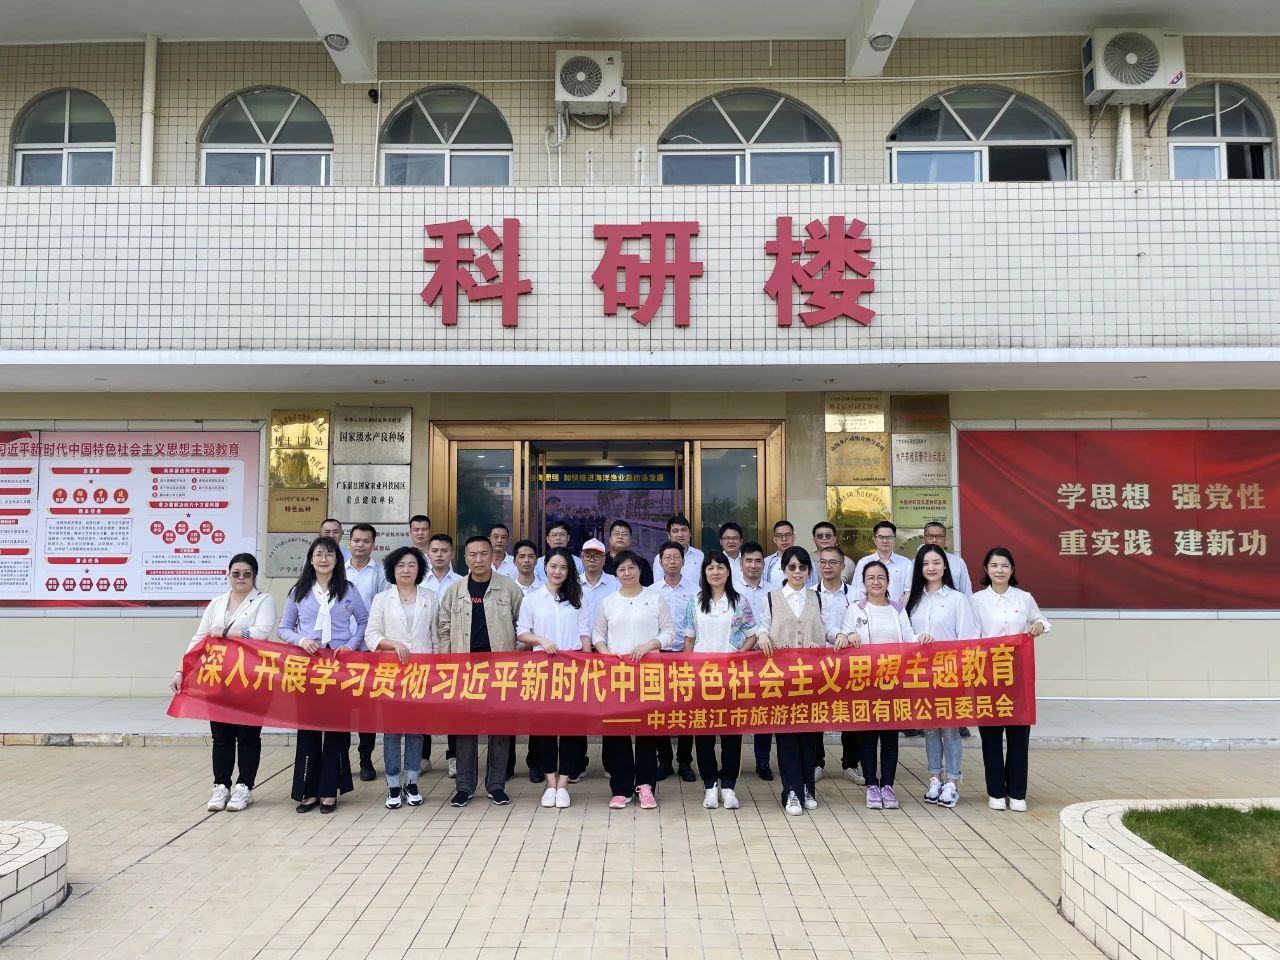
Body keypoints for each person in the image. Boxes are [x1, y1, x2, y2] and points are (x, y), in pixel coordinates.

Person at [173, 553, 276, 813]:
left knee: (248, 735)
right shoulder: (217, 603)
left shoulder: (263, 600)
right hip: (218, 677)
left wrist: (225, 632)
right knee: (221, 736)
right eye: (236, 573)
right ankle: (221, 785)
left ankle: (244, 787)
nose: (241, 578)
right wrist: (181, 670)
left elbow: (261, 632)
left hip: (250, 677)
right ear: (228, 575)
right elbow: (200, 638)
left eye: (247, 574)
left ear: (254, 576)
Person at [279, 536, 369, 815]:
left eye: (329, 554)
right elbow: (284, 628)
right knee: (308, 728)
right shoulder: (299, 591)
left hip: (339, 667)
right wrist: (301, 640)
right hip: (308, 667)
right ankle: (308, 791)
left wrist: (351, 645)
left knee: (337, 729)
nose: (323, 559)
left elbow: (364, 621)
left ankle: (329, 790)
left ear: (337, 560)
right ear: (310, 559)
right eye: (318, 554)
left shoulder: (348, 589)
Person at [436, 536, 523, 807]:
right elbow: (443, 627)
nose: (478, 559)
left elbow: (522, 626)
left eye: (483, 554)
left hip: (500, 669)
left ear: (492, 555)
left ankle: (496, 785)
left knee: (500, 728)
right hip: (465, 669)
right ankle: (464, 786)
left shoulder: (508, 588)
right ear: (464, 558)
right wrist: (447, 664)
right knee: (464, 728)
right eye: (472, 554)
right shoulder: (455, 590)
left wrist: (514, 657)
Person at [591, 551, 674, 809]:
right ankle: (621, 787)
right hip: (617, 675)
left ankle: (645, 786)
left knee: (647, 730)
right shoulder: (608, 602)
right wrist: (605, 653)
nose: (627, 573)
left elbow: (669, 632)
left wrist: (650, 645)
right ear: (616, 573)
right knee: (617, 731)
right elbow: (597, 633)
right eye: (621, 569)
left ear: (640, 569)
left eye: (631, 568)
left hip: (649, 674)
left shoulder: (655, 598)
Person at [745, 546, 824, 816]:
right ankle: (791, 790)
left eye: (802, 567)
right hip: (782, 678)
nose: (797, 572)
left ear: (808, 571)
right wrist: (762, 635)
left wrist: (841, 635)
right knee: (787, 735)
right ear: (783, 570)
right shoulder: (772, 598)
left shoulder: (817, 597)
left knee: (809, 735)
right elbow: (763, 625)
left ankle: (807, 788)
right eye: (792, 567)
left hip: (811, 677)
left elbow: (828, 627)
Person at [971, 547, 1050, 812]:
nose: (999, 570)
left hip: (1018, 675)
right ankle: (996, 791)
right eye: (994, 565)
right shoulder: (976, 600)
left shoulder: (1024, 598)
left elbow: (1042, 620)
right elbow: (970, 634)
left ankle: (1017, 793)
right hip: (987, 675)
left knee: (1018, 736)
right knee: (991, 736)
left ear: (1012, 569)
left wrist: (1039, 626)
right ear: (986, 569)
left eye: (1004, 565)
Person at [836, 560, 916, 811]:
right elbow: (844, 636)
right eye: (871, 578)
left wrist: (921, 638)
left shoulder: (898, 610)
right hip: (866, 683)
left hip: (893, 682)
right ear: (864, 582)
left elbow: (909, 638)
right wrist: (848, 636)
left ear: (888, 581)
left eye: (881, 577)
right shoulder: (855, 610)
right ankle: (872, 784)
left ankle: (888, 786)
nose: (876, 582)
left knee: (890, 737)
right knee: (868, 736)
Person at [905, 544, 979, 808]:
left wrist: (962, 674)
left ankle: (953, 781)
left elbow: (968, 638)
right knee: (930, 729)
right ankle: (934, 778)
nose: (931, 568)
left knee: (950, 730)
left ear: (945, 566)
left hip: (950, 674)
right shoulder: (913, 600)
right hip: (921, 675)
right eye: (926, 564)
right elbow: (904, 635)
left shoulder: (957, 599)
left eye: (936, 562)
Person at [516, 547, 590, 809]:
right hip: (542, 671)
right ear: (545, 567)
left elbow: (584, 634)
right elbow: (522, 632)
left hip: (572, 671)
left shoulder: (577, 598)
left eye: (563, 567)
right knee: (544, 729)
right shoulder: (532, 599)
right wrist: (541, 640)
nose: (558, 572)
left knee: (571, 729)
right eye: (553, 566)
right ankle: (550, 783)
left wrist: (589, 665)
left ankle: (564, 784)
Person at [682, 551, 757, 811]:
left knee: (731, 734)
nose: (715, 572)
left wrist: (739, 655)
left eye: (720, 567)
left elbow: (752, 634)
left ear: (728, 571)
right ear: (704, 573)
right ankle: (710, 786)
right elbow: (689, 639)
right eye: (710, 568)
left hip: (731, 678)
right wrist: (686, 673)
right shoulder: (695, 602)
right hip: (702, 677)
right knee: (704, 733)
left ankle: (728, 786)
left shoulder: (739, 601)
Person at [365, 546, 438, 810]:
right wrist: (393, 643)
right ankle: (394, 785)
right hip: (391, 673)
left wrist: (437, 670)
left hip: (421, 673)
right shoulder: (382, 599)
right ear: (392, 569)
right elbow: (371, 635)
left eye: (412, 565)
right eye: (400, 565)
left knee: (416, 730)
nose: (406, 570)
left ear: (420, 569)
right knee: (392, 731)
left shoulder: (430, 596)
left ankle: (412, 783)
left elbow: (435, 636)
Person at [346, 522, 388, 782]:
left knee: (367, 709)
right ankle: (340, 760)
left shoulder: (380, 573)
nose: (360, 545)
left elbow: (381, 610)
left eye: (365, 541)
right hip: (340, 650)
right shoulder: (338, 571)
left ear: (373, 545)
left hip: (368, 650)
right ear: (349, 543)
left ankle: (365, 759)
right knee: (340, 707)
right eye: (356, 540)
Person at [735, 541, 778, 781]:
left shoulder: (774, 591)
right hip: (735, 657)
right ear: (741, 563)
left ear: (764, 564)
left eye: (758, 561)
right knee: (734, 709)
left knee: (764, 711)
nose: (753, 565)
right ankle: (732, 762)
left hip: (765, 657)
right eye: (748, 561)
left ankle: (763, 760)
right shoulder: (729, 587)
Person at [654, 539, 696, 782]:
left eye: (676, 558)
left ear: (683, 561)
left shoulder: (695, 591)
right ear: (660, 562)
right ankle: (664, 760)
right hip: (658, 656)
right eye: (667, 558)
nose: (671, 562)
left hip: (685, 655)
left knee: (685, 710)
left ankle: (684, 761)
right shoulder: (651, 591)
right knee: (659, 710)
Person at [422, 532, 462, 777]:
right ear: (428, 553)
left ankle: (454, 756)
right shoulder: (418, 581)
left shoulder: (461, 582)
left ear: (452, 554)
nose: (439, 555)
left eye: (444, 551)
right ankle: (423, 756)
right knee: (422, 704)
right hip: (423, 652)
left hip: (452, 652)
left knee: (453, 705)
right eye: (435, 551)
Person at [815, 545, 854, 783]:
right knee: (816, 715)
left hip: (850, 664)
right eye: (823, 562)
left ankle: (851, 764)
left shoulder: (856, 594)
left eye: (832, 562)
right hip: (818, 665)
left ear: (842, 566)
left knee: (850, 714)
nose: (827, 566)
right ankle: (816, 763)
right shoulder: (810, 594)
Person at [852, 520, 912, 604]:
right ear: (874, 540)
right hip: (869, 610)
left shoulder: (906, 563)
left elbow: (907, 593)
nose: (885, 541)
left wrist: (897, 609)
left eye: (889, 537)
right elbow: (858, 591)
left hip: (897, 610)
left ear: (894, 540)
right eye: (881, 537)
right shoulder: (863, 563)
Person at [921, 521, 972, 595]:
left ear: (945, 539)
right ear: (923, 539)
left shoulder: (958, 562)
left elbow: (967, 593)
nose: (934, 540)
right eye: (930, 536)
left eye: (939, 536)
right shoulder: (914, 563)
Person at [578, 537, 619, 625]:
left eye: (597, 556)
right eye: (588, 556)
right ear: (581, 558)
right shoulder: (574, 583)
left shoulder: (615, 583)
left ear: (604, 559)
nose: (592, 560)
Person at [651, 514, 703, 584]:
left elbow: (703, 583)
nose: (680, 535)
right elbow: (658, 585)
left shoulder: (699, 555)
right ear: (669, 535)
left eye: (684, 530)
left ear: (690, 533)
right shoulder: (660, 557)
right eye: (675, 531)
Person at [604, 519, 653, 586]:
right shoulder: (601, 563)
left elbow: (648, 589)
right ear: (609, 539)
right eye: (617, 534)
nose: (620, 537)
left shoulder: (642, 564)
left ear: (630, 540)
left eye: (624, 534)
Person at [812, 521, 856, 586]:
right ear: (814, 539)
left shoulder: (845, 561)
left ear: (835, 539)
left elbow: (836, 584)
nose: (824, 538)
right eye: (820, 536)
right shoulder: (807, 559)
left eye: (828, 535)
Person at [761, 520, 796, 585]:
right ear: (775, 539)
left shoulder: (806, 560)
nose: (784, 539)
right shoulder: (766, 563)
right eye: (779, 536)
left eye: (787, 535)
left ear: (794, 537)